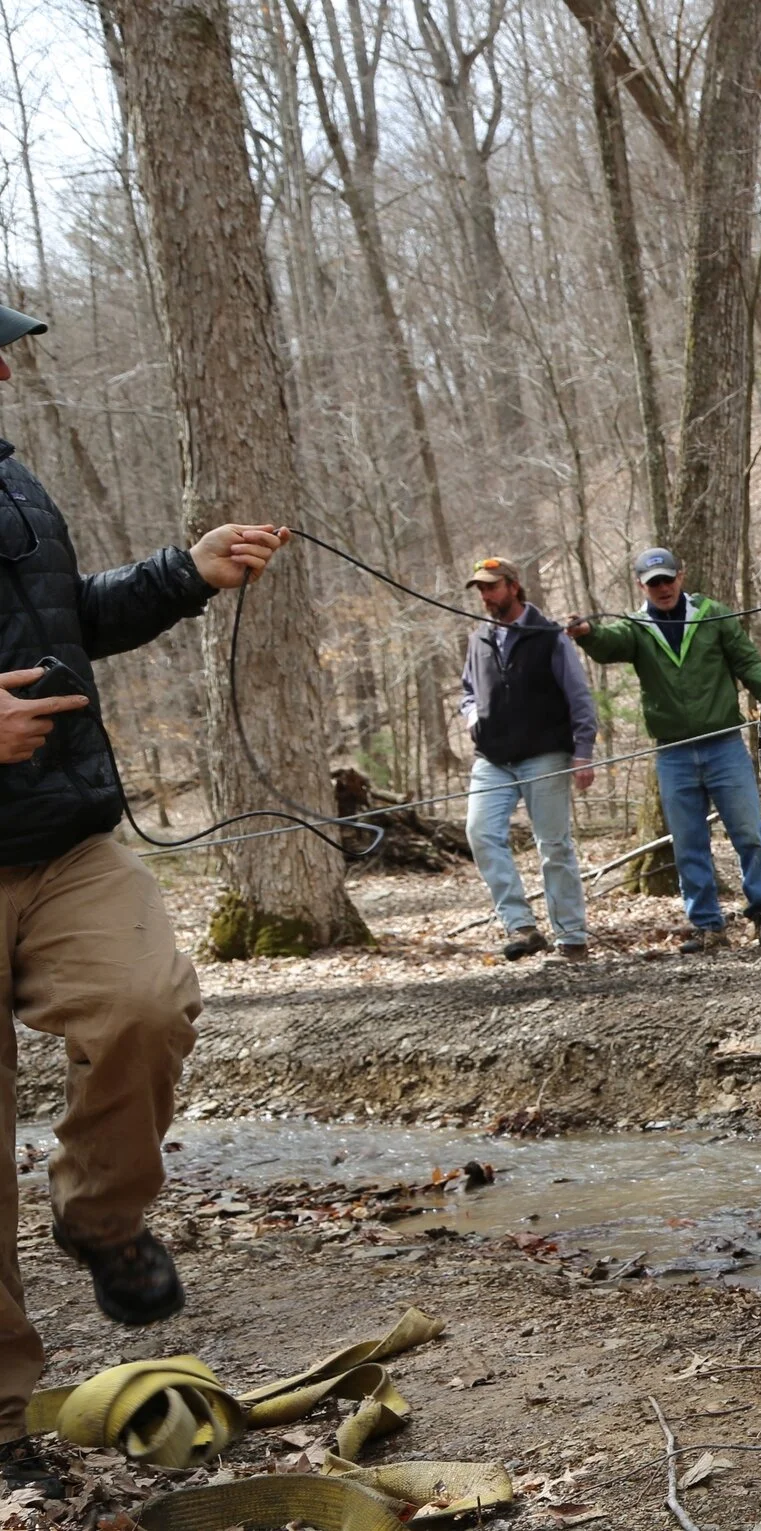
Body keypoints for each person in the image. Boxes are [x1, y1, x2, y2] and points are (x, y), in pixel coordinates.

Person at [0, 302, 290, 1469]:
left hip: (64, 836)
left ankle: (101, 1218)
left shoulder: (13, 475)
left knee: (146, 1002)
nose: (7, 367)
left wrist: (187, 571)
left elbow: (65, 620)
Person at [566, 549, 761, 951]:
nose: (663, 589)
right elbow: (609, 642)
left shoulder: (713, 615)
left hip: (724, 747)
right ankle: (707, 925)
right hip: (673, 754)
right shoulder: (637, 627)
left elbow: (749, 663)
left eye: (668, 580)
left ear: (681, 576)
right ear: (641, 587)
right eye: (654, 583)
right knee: (688, 843)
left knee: (749, 833)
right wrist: (586, 634)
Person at [457, 556, 597, 961]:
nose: (485, 595)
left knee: (553, 845)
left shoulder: (549, 635)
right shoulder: (478, 638)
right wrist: (471, 717)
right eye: (481, 588)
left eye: (492, 586)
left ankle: (571, 937)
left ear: (513, 586)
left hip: (545, 754)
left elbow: (579, 697)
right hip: (492, 757)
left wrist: (583, 752)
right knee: (480, 833)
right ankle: (520, 924)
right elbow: (467, 689)